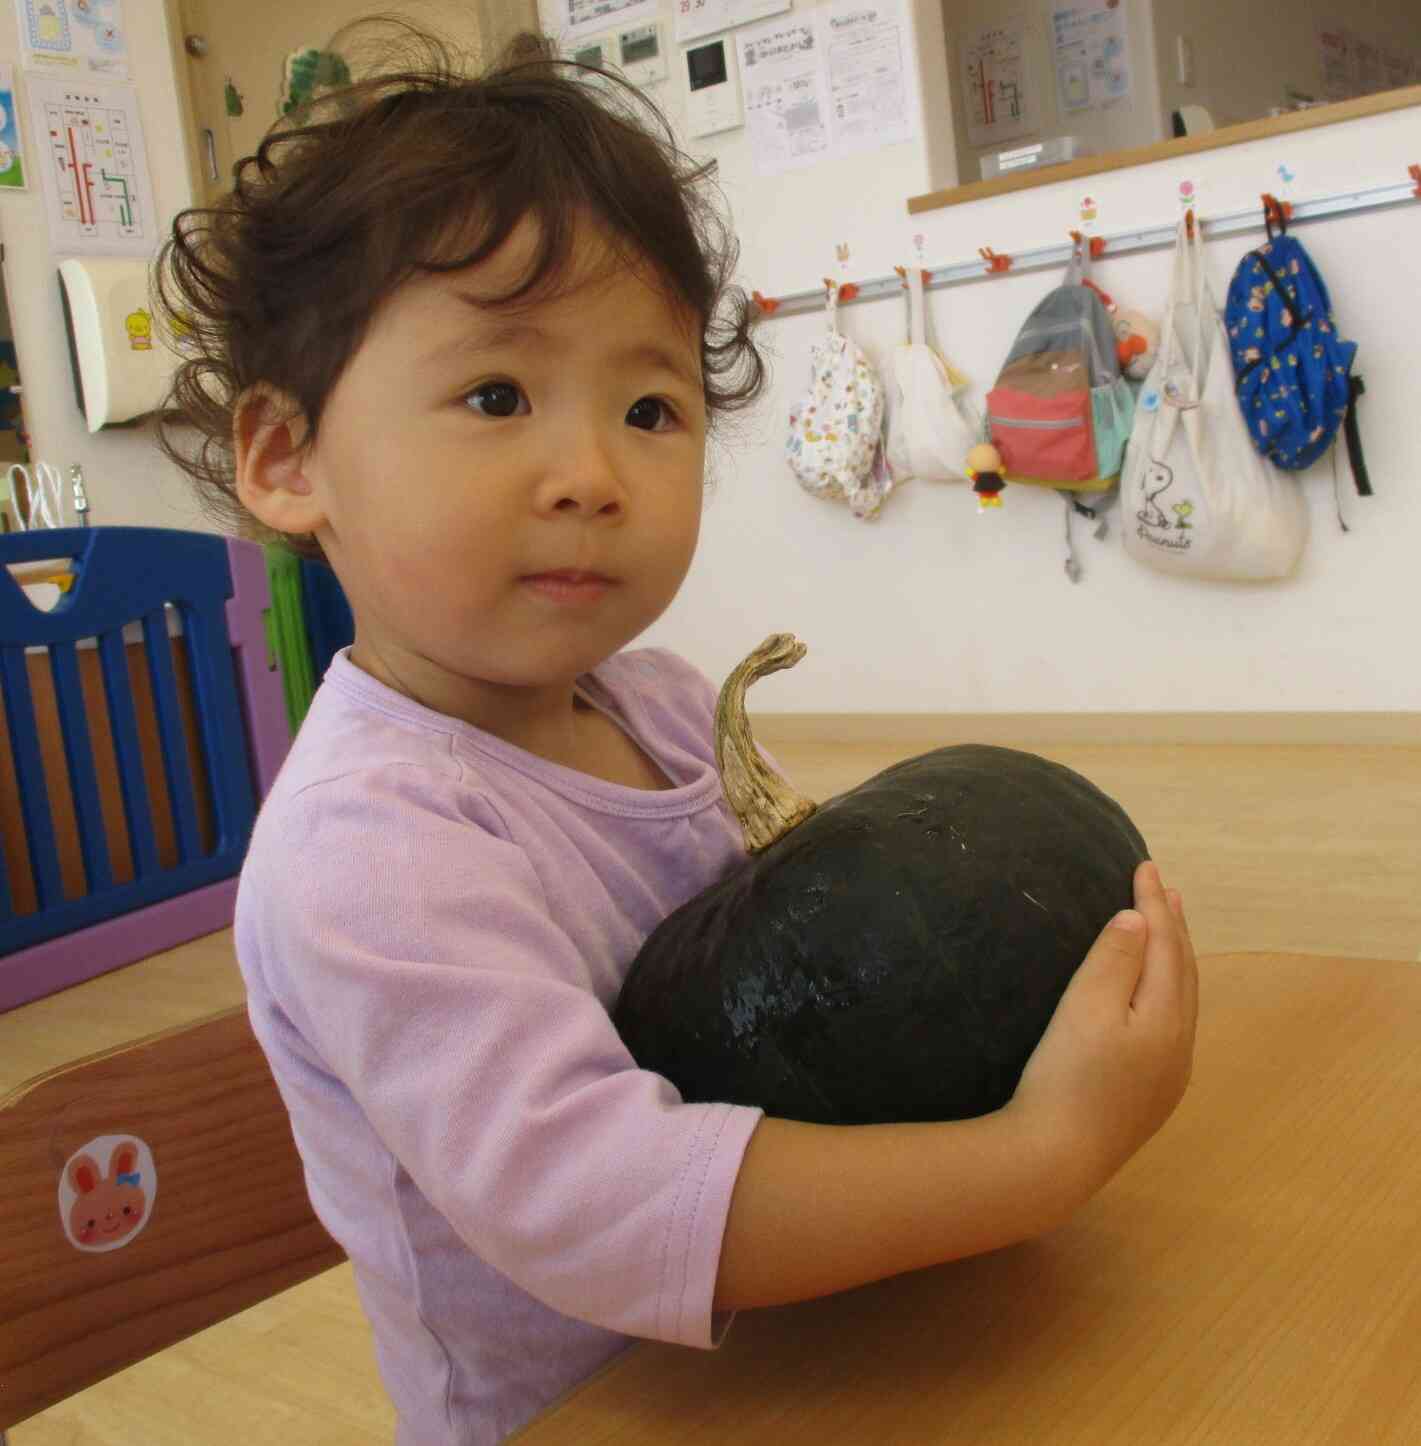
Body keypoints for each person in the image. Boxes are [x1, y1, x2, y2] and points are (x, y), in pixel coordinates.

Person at [155, 23, 1198, 1446]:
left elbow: (793, 999)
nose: (590, 473)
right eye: (496, 396)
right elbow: (594, 1202)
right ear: (287, 459)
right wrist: (1036, 1152)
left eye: (649, 406)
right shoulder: (369, 845)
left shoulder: (647, 700)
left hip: (805, 1341)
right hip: (597, 1410)